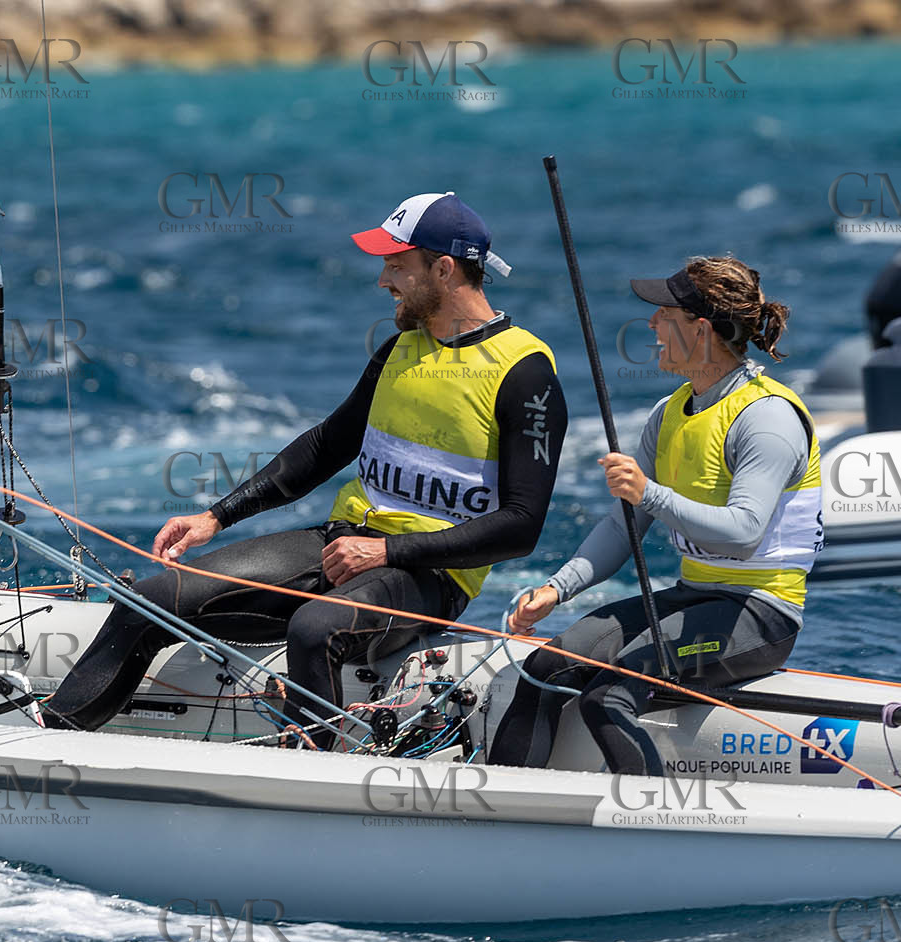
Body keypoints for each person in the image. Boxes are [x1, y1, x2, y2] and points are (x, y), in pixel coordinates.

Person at [44, 192, 567, 747]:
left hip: (428, 576)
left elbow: (521, 526)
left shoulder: (525, 373)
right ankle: (50, 742)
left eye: (396, 265)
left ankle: (315, 773)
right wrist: (216, 517)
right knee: (150, 600)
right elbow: (324, 447)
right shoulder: (399, 351)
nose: (384, 279)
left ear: (443, 268)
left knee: (314, 629)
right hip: (340, 543)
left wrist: (388, 552)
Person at [488, 255, 822, 776]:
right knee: (544, 667)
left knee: (609, 696)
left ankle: (650, 825)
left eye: (664, 313)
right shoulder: (668, 413)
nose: (651, 324)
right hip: (694, 596)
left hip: (760, 614)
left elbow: (743, 533)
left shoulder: (767, 418)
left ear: (701, 328)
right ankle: (498, 816)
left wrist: (651, 494)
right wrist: (558, 588)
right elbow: (624, 524)